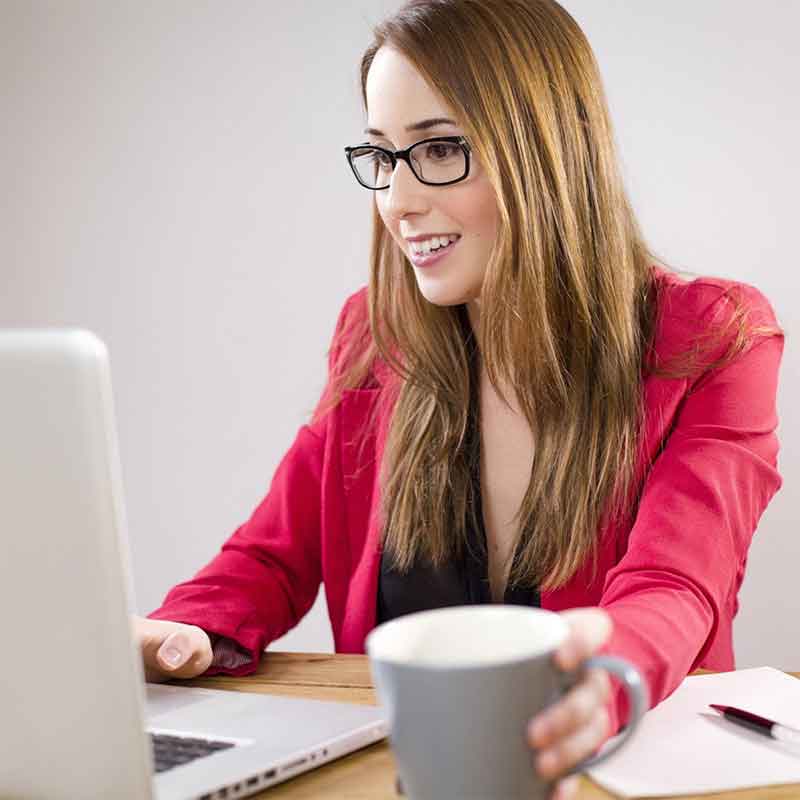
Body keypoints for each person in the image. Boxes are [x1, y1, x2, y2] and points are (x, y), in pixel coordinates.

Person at [135, 1, 785, 797]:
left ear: (545, 152)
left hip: (603, 779)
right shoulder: (375, 337)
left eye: (440, 149)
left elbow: (677, 584)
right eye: (383, 155)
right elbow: (270, 556)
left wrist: (603, 674)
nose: (398, 200)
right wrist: (178, 632)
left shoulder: (713, 335)